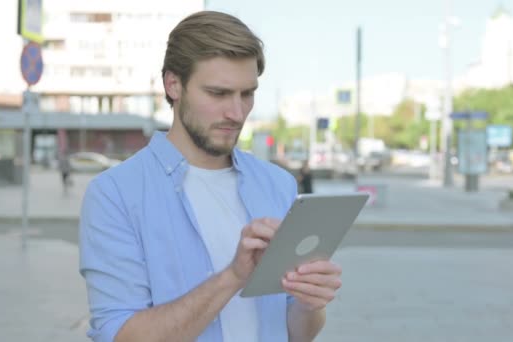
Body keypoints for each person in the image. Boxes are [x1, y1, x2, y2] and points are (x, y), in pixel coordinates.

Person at [79, 11, 342, 342]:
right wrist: (232, 276)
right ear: (173, 84)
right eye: (218, 93)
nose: (237, 113)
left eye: (247, 94)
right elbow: (120, 335)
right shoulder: (115, 194)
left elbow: (295, 333)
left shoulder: (278, 184)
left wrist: (308, 303)